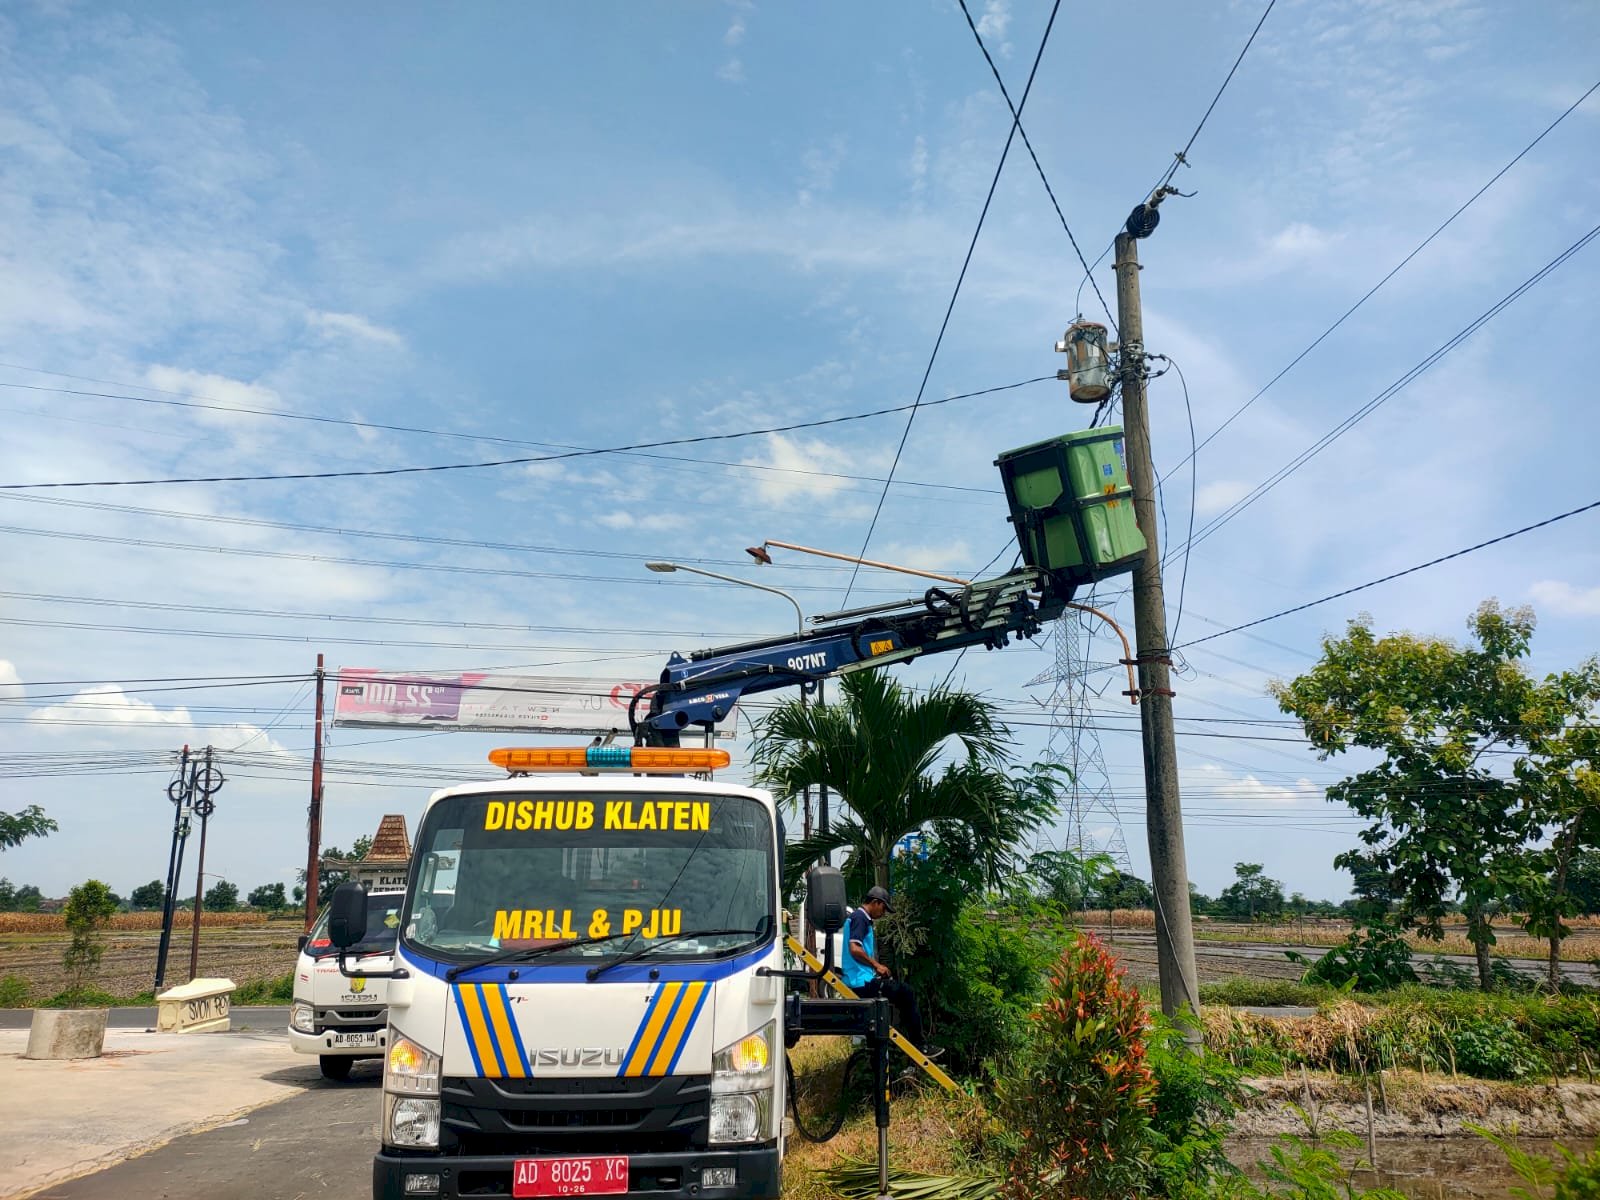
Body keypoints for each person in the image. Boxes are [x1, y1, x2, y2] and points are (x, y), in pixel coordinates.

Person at [839, 885, 941, 1060]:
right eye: (883, 908)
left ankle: (890, 1053)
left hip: (862, 979)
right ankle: (920, 1045)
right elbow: (854, 949)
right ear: (875, 902)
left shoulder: (859, 919)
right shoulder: (860, 918)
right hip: (860, 982)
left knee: (897, 995)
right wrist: (876, 965)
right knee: (906, 992)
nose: (883, 913)